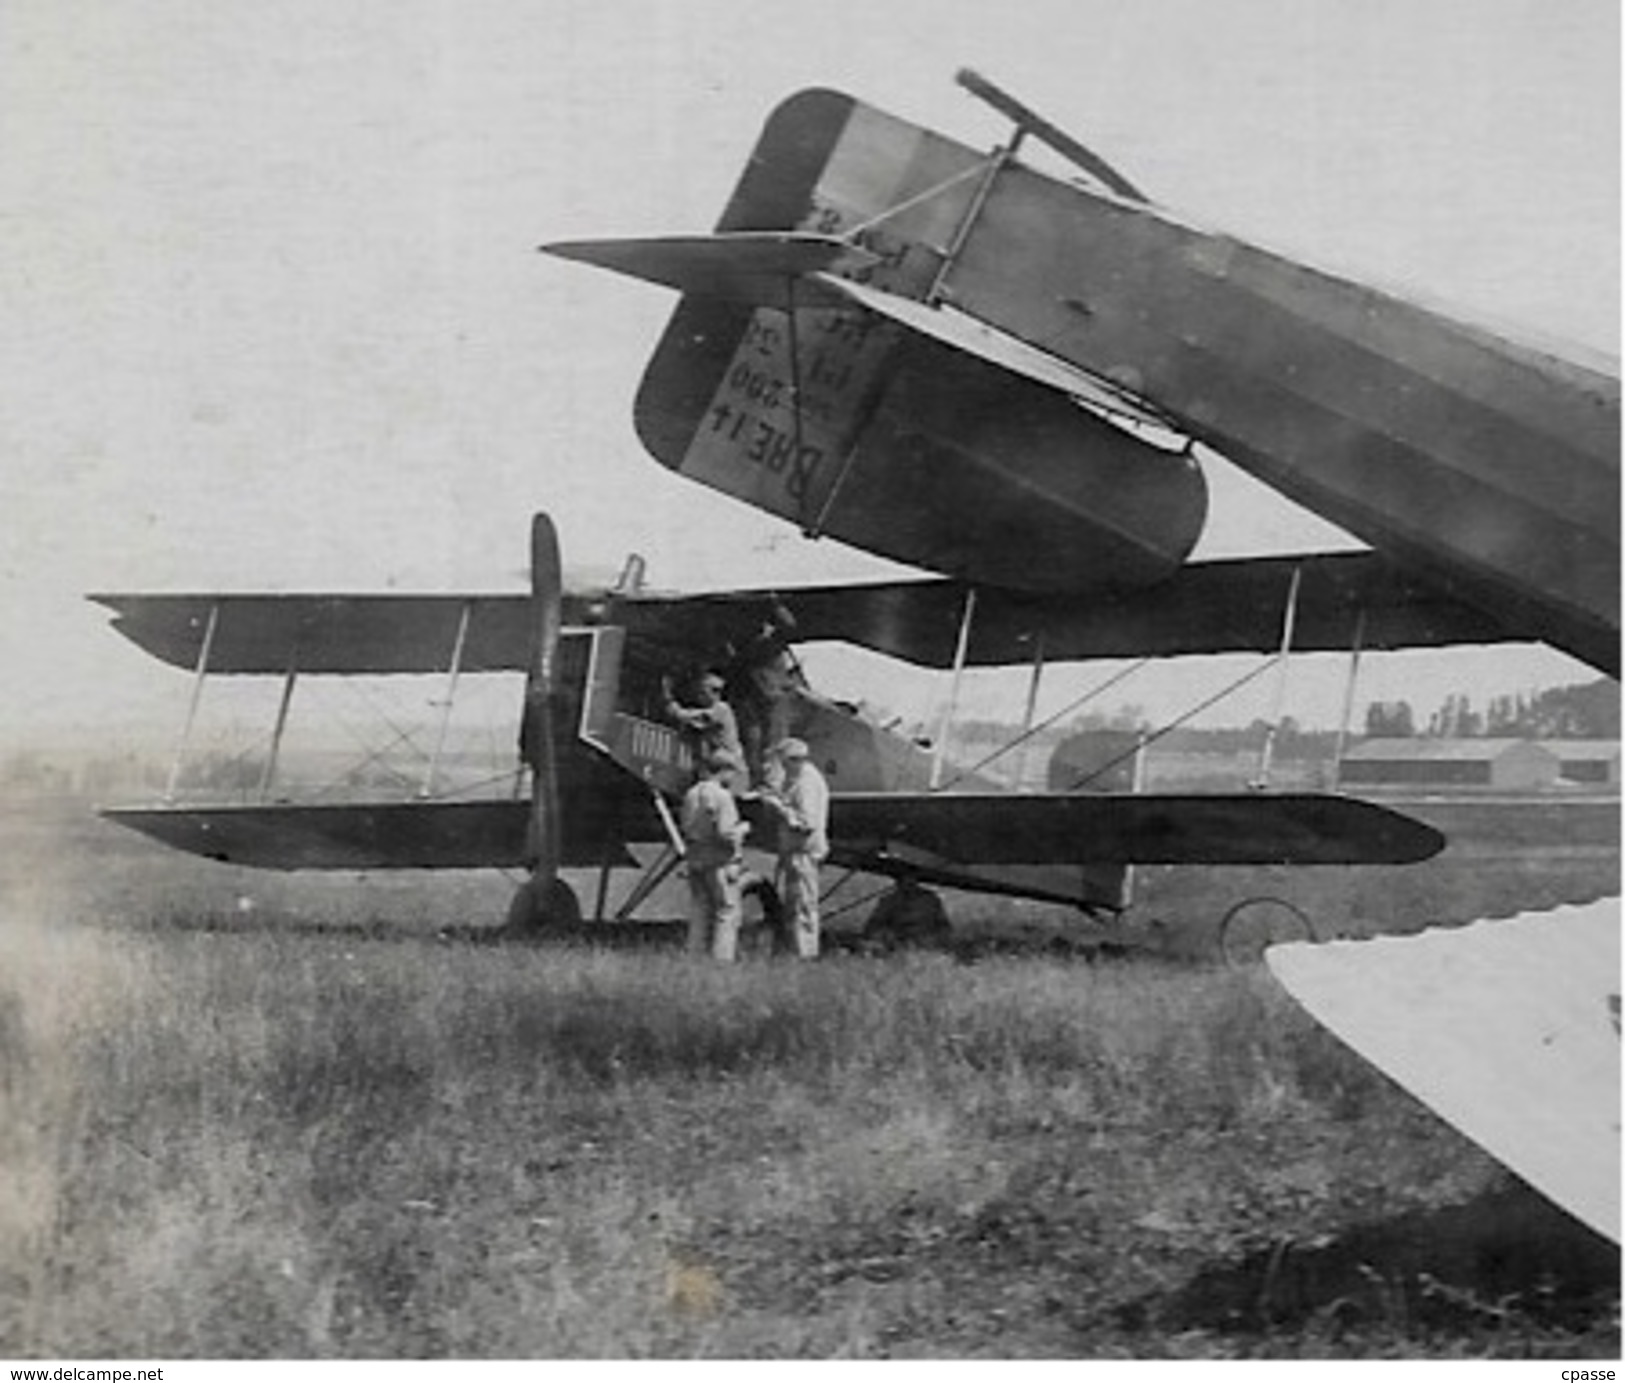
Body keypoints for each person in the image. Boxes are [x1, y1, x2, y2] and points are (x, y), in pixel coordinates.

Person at [758, 737, 830, 959]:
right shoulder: (799, 779)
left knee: (803, 905)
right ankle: (796, 950)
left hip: (804, 852)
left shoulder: (806, 782)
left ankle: (805, 953)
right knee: (795, 904)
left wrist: (778, 807)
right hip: (797, 851)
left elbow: (805, 823)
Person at [679, 749, 751, 961]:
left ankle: (695, 954)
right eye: (732, 772)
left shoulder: (691, 793)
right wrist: (743, 829)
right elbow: (725, 833)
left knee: (700, 908)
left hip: (696, 857)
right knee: (726, 911)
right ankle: (722, 958)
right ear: (724, 771)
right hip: (719, 861)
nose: (733, 778)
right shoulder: (722, 796)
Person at [663, 670, 746, 789]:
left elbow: (690, 717)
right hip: (717, 767)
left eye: (702, 692)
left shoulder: (721, 709)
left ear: (715, 693)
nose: (699, 696)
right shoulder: (714, 710)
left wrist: (670, 702)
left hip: (729, 767)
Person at [864, 873, 952, 952]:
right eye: (904, 882)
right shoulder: (889, 901)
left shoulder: (930, 901)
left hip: (926, 943)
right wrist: (888, 936)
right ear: (898, 883)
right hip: (897, 943)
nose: (908, 888)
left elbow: (945, 927)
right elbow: (873, 926)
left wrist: (936, 940)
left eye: (911, 883)